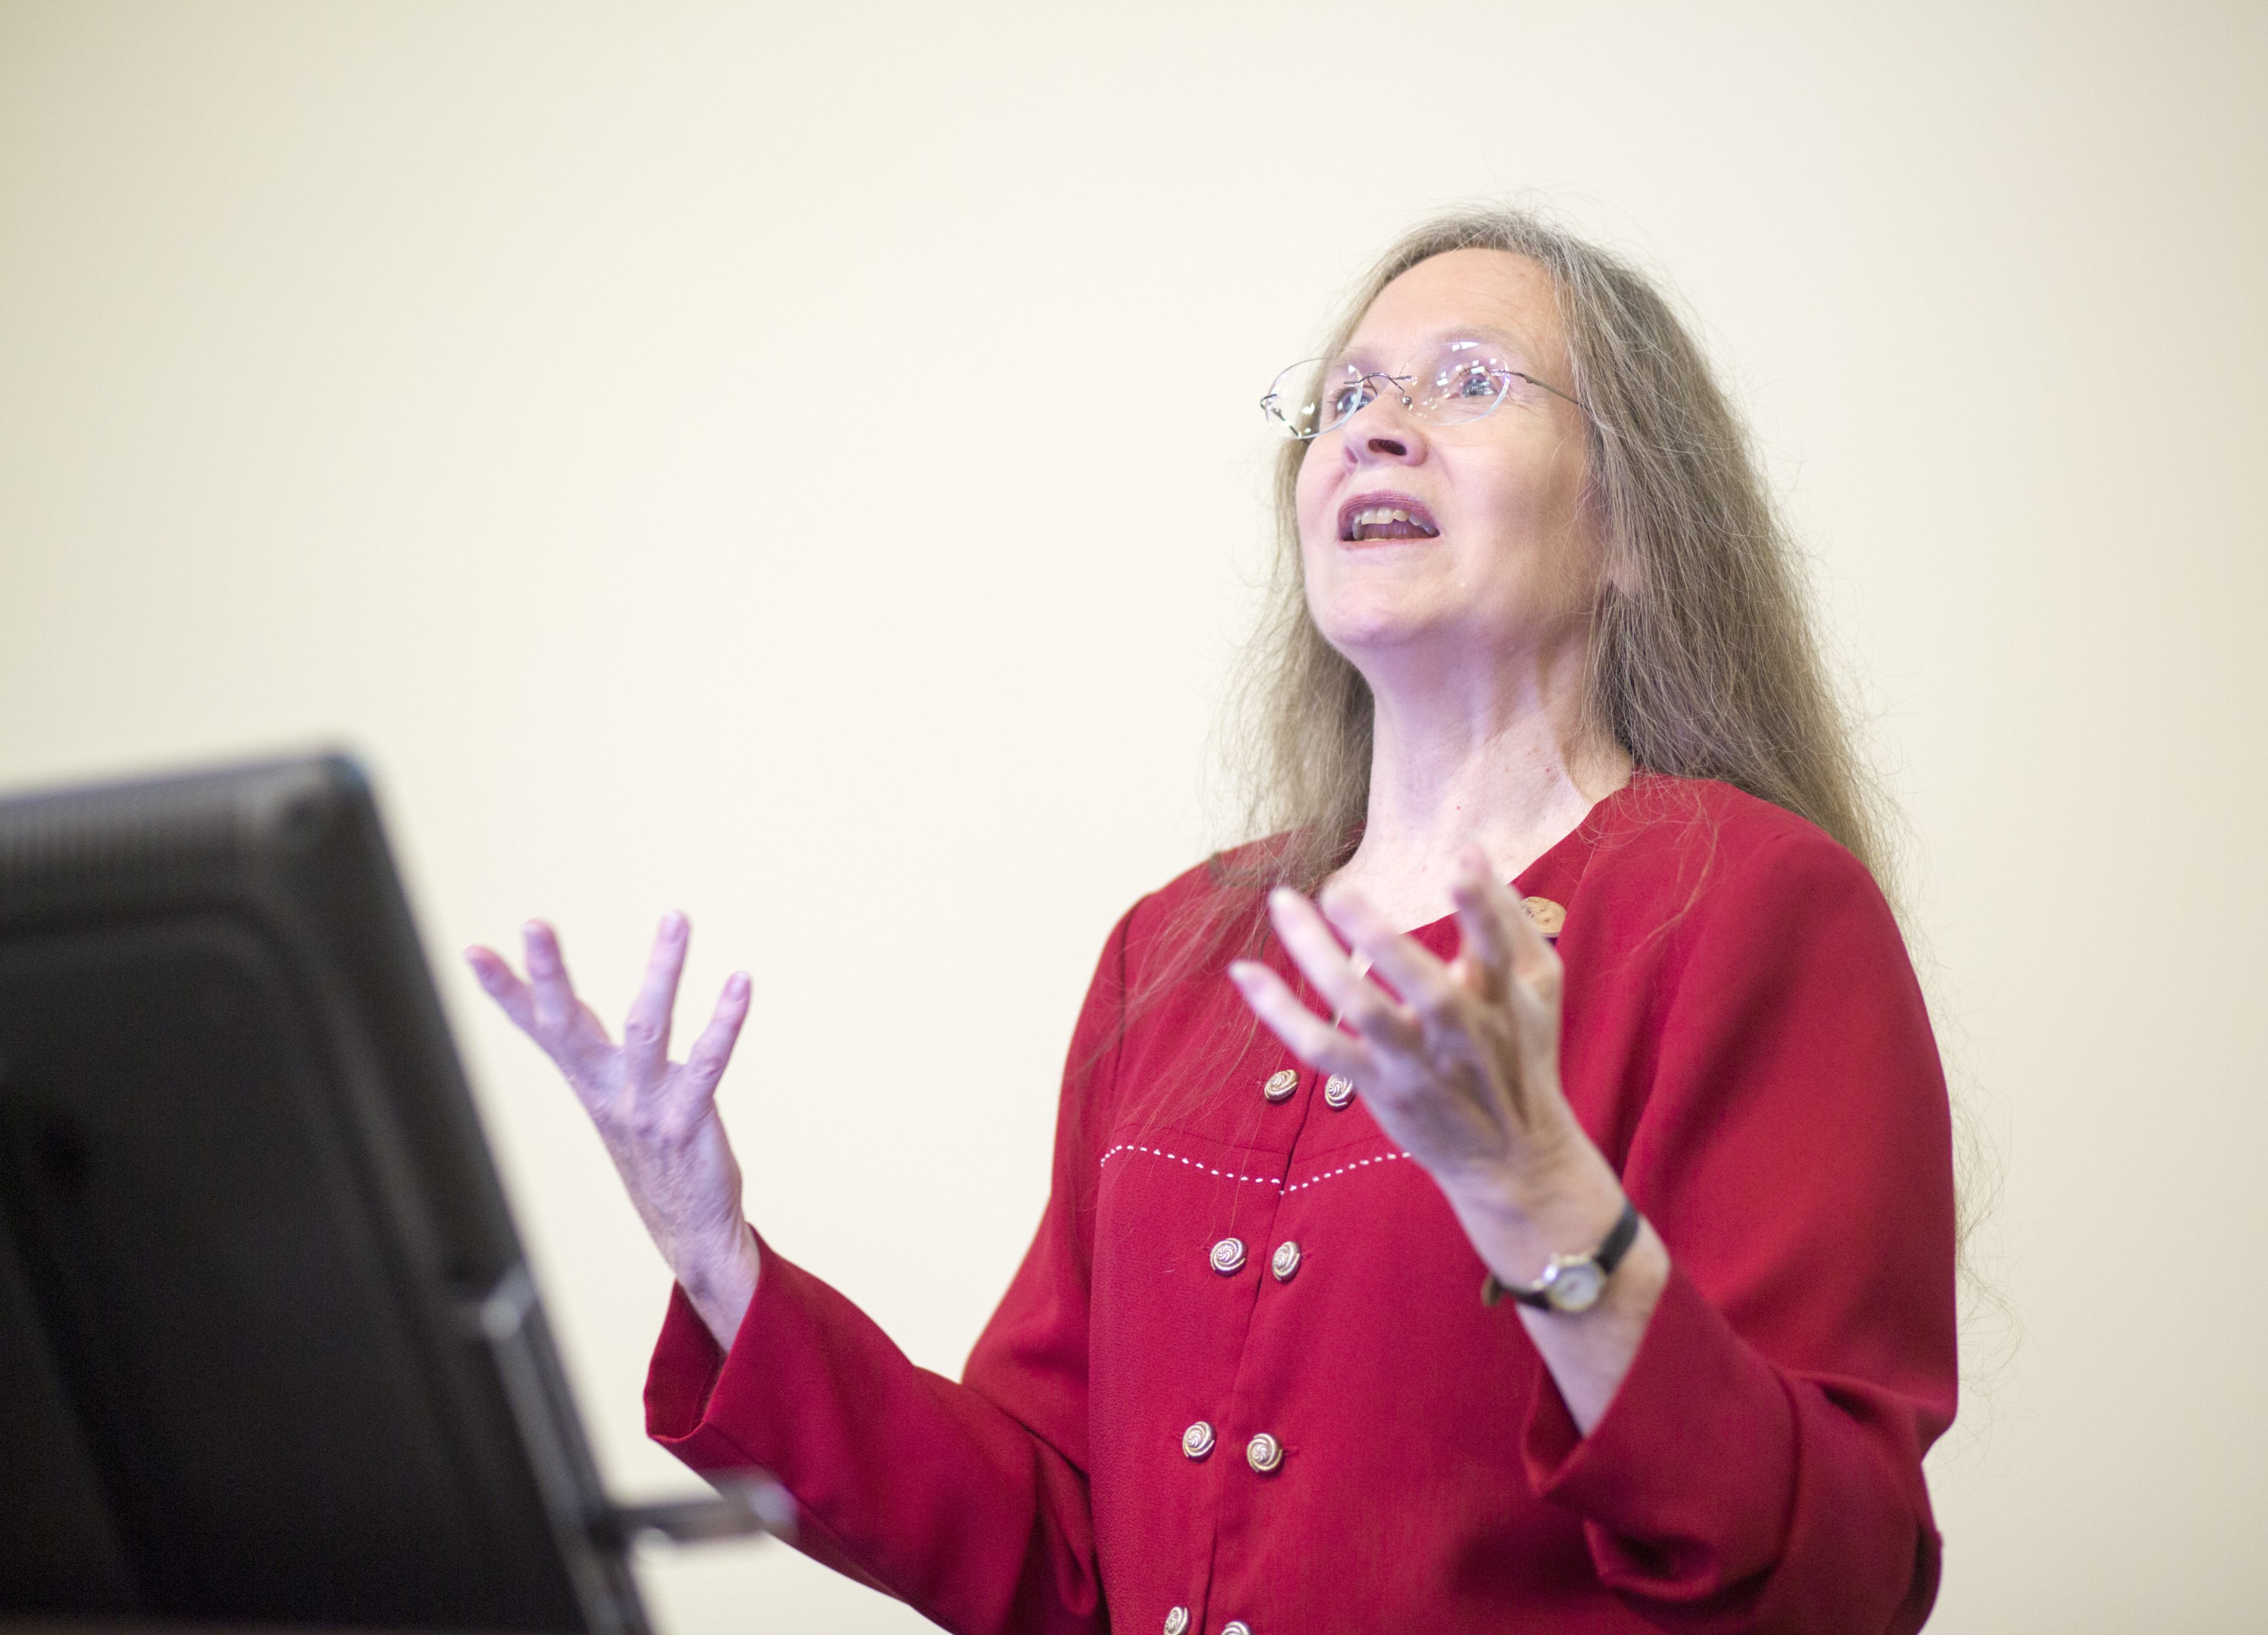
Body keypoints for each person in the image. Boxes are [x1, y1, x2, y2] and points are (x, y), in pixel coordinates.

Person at [467, 208, 1959, 1635]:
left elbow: (1834, 1578)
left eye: (1469, 383)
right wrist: (716, 1251)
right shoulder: (1171, 949)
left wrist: (1538, 1200)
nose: (1372, 425)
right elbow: (1059, 1550)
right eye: (1345, 395)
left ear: (1630, 523)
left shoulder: (1753, 904)